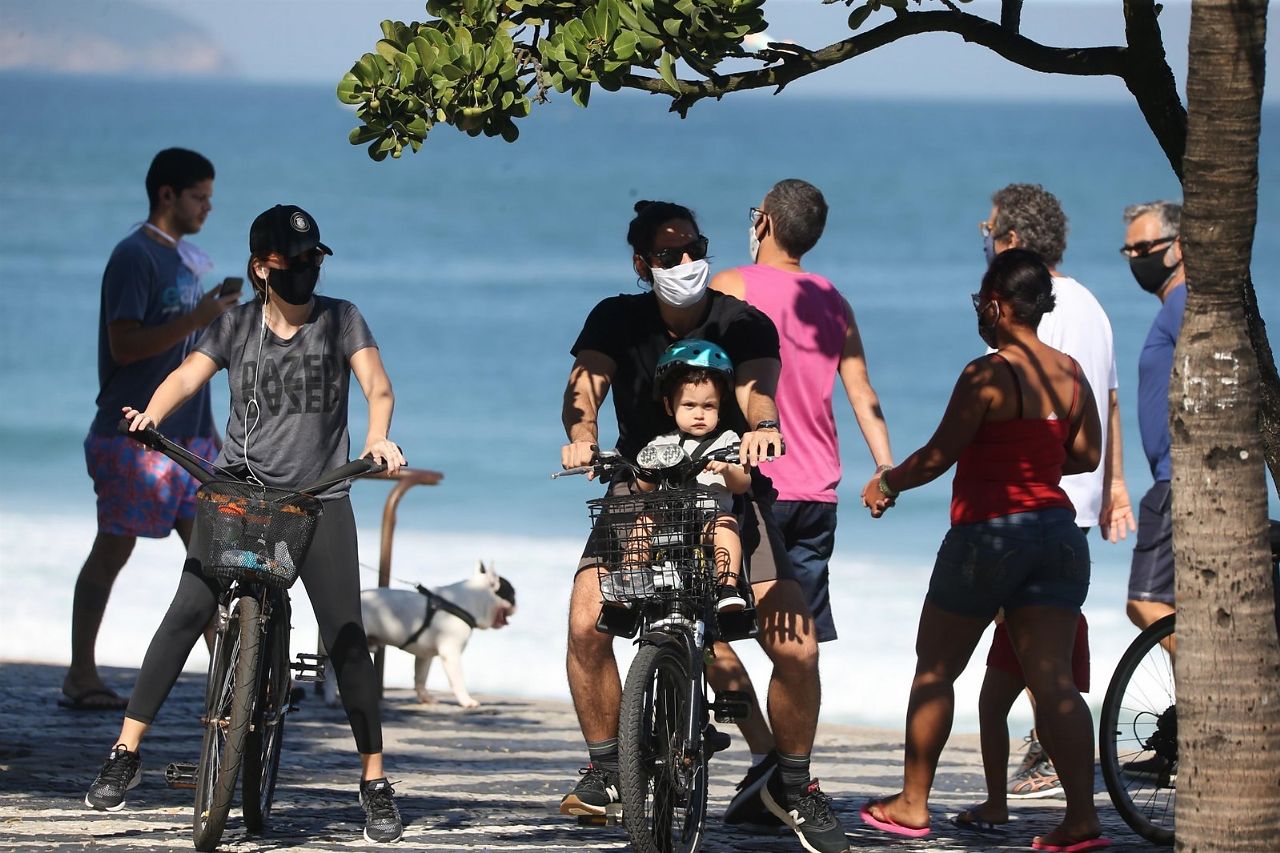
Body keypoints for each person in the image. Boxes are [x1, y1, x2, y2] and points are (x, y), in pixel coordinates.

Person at [82, 204, 408, 844]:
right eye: (296, 261)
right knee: (186, 609)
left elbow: (379, 388)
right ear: (263, 268)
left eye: (317, 258)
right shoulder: (233, 327)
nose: (309, 269)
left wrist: (378, 441)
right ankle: (125, 752)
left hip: (319, 498)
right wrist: (149, 417)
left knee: (346, 634)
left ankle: (373, 781)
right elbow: (185, 375)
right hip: (239, 496)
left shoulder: (341, 319)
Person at [559, 200, 850, 853]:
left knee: (797, 646)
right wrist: (583, 437)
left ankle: (795, 785)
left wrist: (766, 426)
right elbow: (585, 387)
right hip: (641, 489)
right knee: (585, 618)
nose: (686, 262)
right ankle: (607, 768)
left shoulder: (739, 320)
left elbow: (755, 390)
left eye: (695, 248)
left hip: (729, 486)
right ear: (642, 263)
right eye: (669, 254)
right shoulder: (616, 317)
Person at [858, 249, 1107, 852]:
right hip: (1057, 537)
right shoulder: (1070, 373)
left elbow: (939, 455)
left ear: (996, 304)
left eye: (981, 301)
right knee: (1054, 685)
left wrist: (886, 481)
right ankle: (1080, 819)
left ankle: (913, 803)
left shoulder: (987, 375)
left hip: (989, 537)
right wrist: (1037, 457)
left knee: (936, 668)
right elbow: (1087, 456)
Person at [709, 178, 893, 824]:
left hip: (750, 487)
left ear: (762, 222)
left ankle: (766, 755)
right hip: (818, 492)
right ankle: (793, 773)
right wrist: (886, 465)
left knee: (706, 626)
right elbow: (861, 387)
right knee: (798, 644)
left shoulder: (732, 286)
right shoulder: (831, 299)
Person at [964, 184, 1136, 817]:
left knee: (1033, 642)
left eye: (989, 229)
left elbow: (1006, 407)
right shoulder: (1091, 302)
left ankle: (1050, 764)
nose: (983, 239)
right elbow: (1107, 399)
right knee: (1050, 631)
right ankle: (1055, 764)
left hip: (1031, 494)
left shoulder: (1029, 314)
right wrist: (1115, 484)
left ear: (1011, 241)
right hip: (1076, 494)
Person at [65, 148, 238, 712]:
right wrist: (200, 317)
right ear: (167, 195)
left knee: (213, 558)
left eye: (210, 198)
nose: (208, 208)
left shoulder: (187, 260)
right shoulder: (133, 256)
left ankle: (233, 684)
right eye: (199, 197)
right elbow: (125, 345)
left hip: (191, 439)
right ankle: (81, 674)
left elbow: (191, 354)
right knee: (113, 549)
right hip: (132, 434)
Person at [632, 341, 750, 614]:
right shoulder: (661, 442)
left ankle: (727, 587)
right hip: (670, 520)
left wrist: (728, 469)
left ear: (721, 407)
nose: (699, 413)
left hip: (707, 520)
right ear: (669, 406)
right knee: (643, 522)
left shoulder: (727, 440)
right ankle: (631, 578)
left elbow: (743, 484)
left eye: (709, 406)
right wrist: (646, 474)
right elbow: (643, 488)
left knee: (726, 524)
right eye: (689, 405)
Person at [1120, 200, 1185, 633]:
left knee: (1145, 603)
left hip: (1177, 481)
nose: (1135, 260)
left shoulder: (1183, 301)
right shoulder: (1172, 306)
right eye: (1129, 252)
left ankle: (1207, 679)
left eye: (1144, 248)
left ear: (1178, 247)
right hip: (1170, 477)